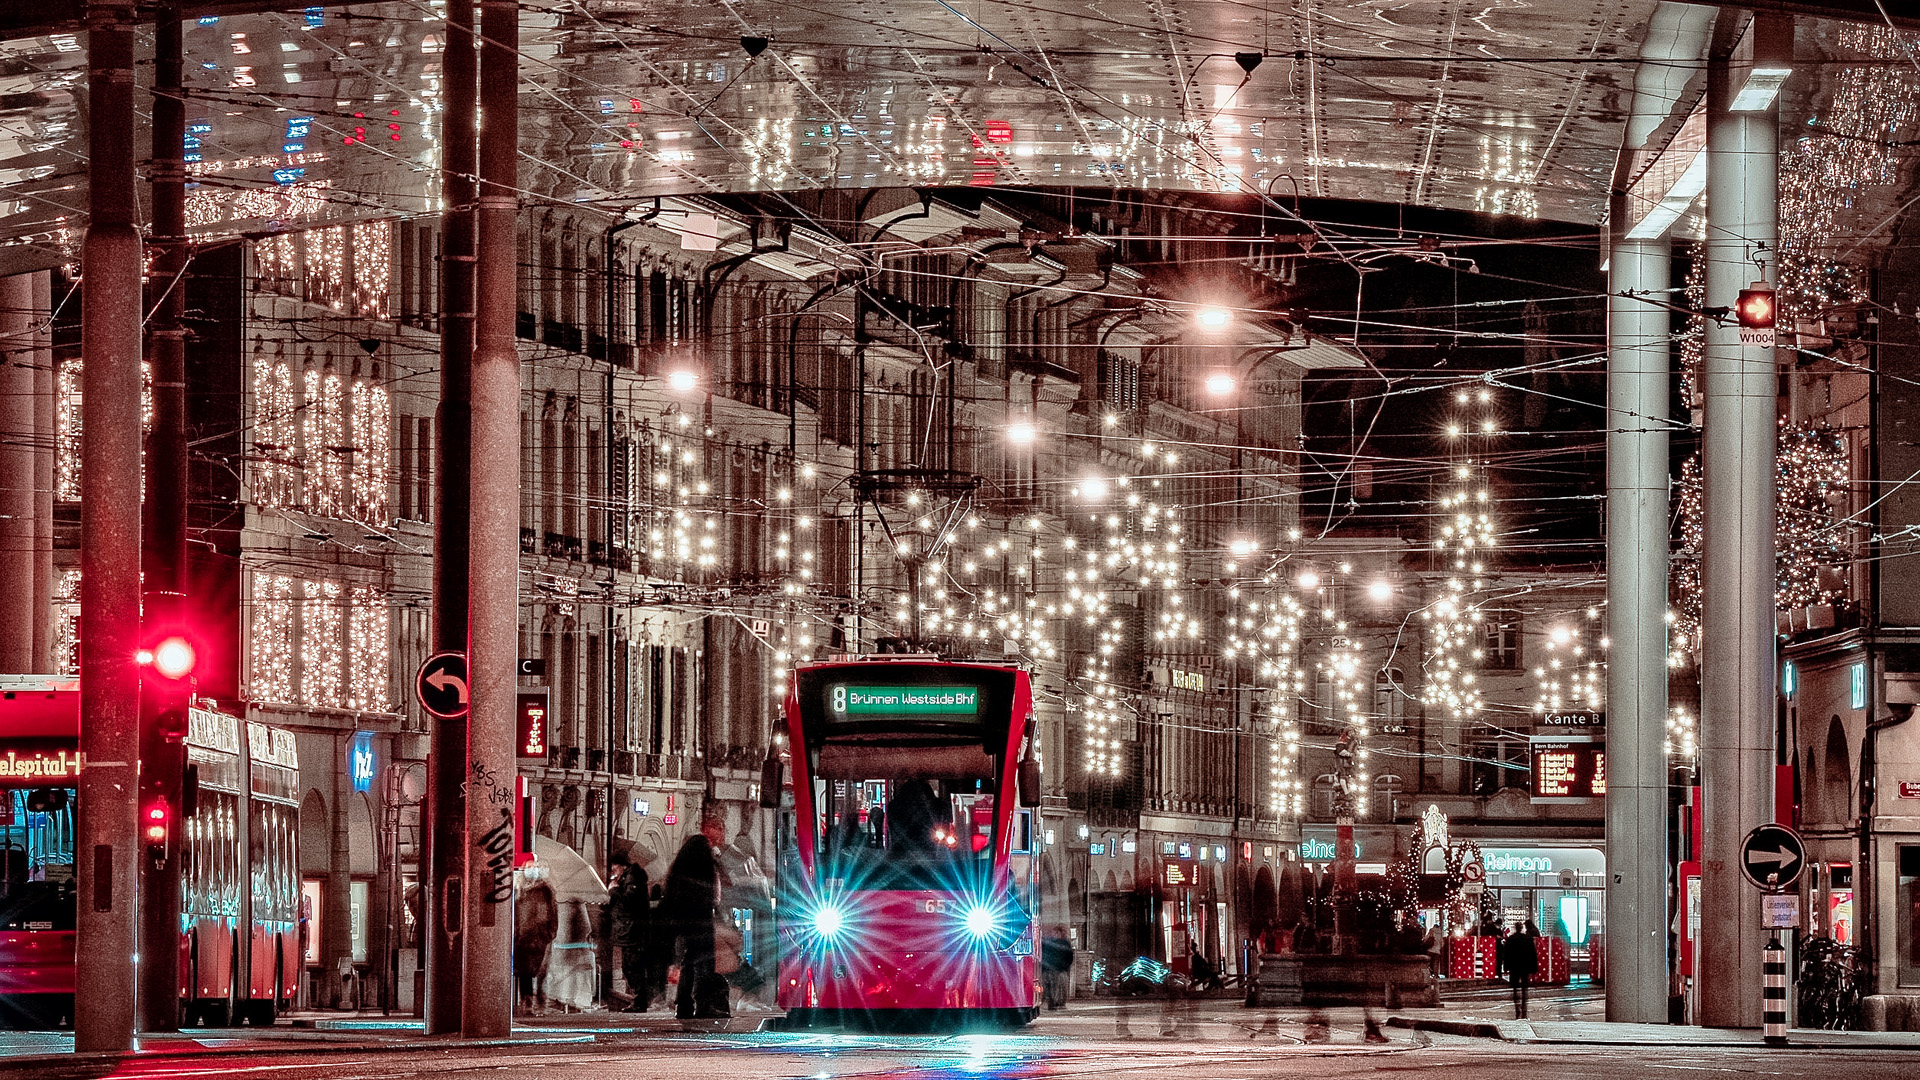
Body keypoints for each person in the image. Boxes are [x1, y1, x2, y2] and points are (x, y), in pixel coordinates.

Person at [663, 810, 732, 1020]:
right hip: (697, 917)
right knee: (702, 961)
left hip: (690, 916)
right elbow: (707, 886)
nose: (722, 835)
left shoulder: (694, 849)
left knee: (691, 961)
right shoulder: (700, 848)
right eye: (719, 829)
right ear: (709, 829)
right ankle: (703, 1004)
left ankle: (684, 1005)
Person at [607, 851, 652, 1012]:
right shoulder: (630, 877)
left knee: (632, 966)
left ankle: (640, 1001)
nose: (614, 873)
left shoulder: (633, 878)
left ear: (620, 866)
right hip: (630, 930)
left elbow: (630, 901)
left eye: (614, 869)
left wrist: (613, 890)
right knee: (630, 966)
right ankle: (639, 1000)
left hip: (633, 931)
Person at [514, 875, 559, 1015]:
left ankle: (539, 1002)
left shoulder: (545, 891)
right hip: (525, 937)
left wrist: (550, 933)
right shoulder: (520, 891)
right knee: (525, 972)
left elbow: (552, 913)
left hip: (537, 936)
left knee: (540, 971)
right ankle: (528, 1002)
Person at [1497, 920, 1540, 1018]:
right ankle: (1524, 1007)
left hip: (1514, 966)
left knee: (1515, 988)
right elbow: (1532, 954)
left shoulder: (1511, 939)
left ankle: (1517, 1007)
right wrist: (1534, 968)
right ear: (1522, 928)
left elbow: (1507, 954)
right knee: (1525, 988)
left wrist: (1506, 967)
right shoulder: (1527, 939)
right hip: (1525, 966)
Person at [1039, 925, 1074, 1010]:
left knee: (1058, 987)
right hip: (1051, 968)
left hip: (1059, 969)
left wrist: (1064, 966)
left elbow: (1069, 956)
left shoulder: (1063, 943)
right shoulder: (1049, 942)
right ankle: (1052, 1003)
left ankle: (1057, 1003)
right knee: (1050, 986)